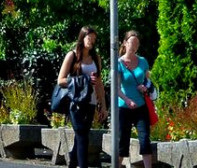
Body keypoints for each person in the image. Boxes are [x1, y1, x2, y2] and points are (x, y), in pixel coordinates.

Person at [57, 27, 107, 168]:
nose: (91, 42)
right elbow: (60, 80)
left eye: (94, 39)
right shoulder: (72, 56)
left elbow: (99, 84)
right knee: (82, 136)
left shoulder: (96, 58)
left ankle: (72, 165)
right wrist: (83, 79)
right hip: (75, 102)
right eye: (89, 38)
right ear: (82, 38)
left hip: (90, 102)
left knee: (81, 137)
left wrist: (103, 105)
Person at [115, 29, 155, 168]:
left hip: (141, 106)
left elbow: (148, 82)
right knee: (123, 141)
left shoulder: (143, 61)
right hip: (124, 107)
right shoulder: (118, 63)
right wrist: (127, 100)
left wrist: (145, 87)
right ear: (125, 43)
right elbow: (116, 88)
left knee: (144, 139)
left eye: (137, 43)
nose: (135, 46)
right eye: (132, 42)